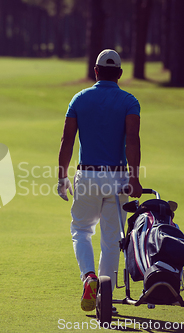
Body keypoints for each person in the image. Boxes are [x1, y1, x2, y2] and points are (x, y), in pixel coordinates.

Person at [57, 49, 143, 313]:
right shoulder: (129, 101)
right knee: (112, 239)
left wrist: (62, 176)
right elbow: (132, 139)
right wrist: (135, 177)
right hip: (117, 177)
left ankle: (89, 277)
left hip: (87, 174)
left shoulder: (80, 98)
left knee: (81, 230)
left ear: (95, 71)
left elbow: (67, 140)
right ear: (119, 73)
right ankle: (105, 300)